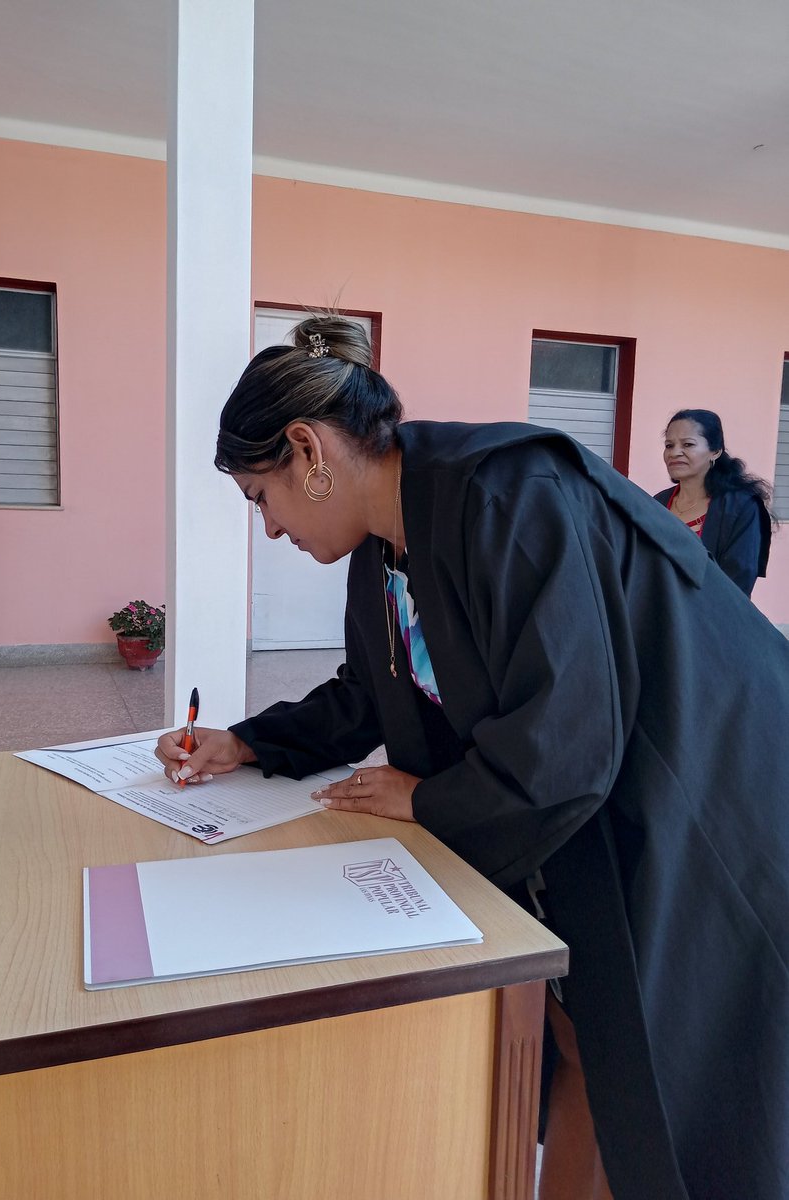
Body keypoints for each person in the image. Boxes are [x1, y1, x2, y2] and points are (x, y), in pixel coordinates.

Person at [156, 315, 789, 1200]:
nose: (268, 530)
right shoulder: (382, 546)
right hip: (604, 787)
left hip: (707, 785)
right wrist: (247, 741)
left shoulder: (508, 496)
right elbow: (372, 689)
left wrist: (424, 800)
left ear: (307, 449)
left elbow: (566, 750)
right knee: (579, 1035)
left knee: (658, 1060)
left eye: (261, 498)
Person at [654, 408, 775, 596]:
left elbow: (738, 581)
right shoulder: (658, 503)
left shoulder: (742, 507)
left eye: (687, 444)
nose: (675, 452)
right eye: (669, 445)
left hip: (713, 618)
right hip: (657, 616)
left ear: (715, 452)